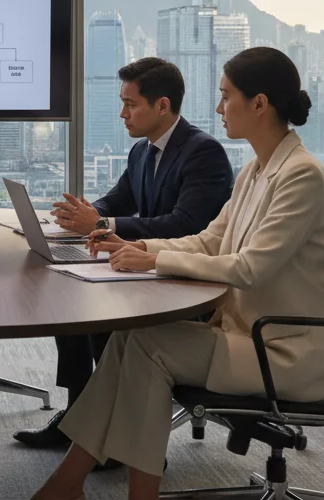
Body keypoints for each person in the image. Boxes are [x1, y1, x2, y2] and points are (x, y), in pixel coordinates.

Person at [0, 47, 324, 500]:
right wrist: (134, 250)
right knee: (133, 340)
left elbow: (251, 267)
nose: (219, 106)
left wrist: (153, 259)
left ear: (260, 103)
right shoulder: (256, 171)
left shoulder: (301, 176)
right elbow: (209, 238)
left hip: (288, 351)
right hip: (244, 335)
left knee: (147, 345)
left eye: (227, 96)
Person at [15, 58, 232, 451]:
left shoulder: (204, 152)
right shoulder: (141, 152)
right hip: (145, 267)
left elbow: (186, 225)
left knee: (98, 314)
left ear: (162, 106)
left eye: (130, 104)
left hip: (186, 277)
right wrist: (81, 216)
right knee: (70, 300)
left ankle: (119, 432)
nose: (122, 113)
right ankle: (79, 414)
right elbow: (117, 200)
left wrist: (102, 224)